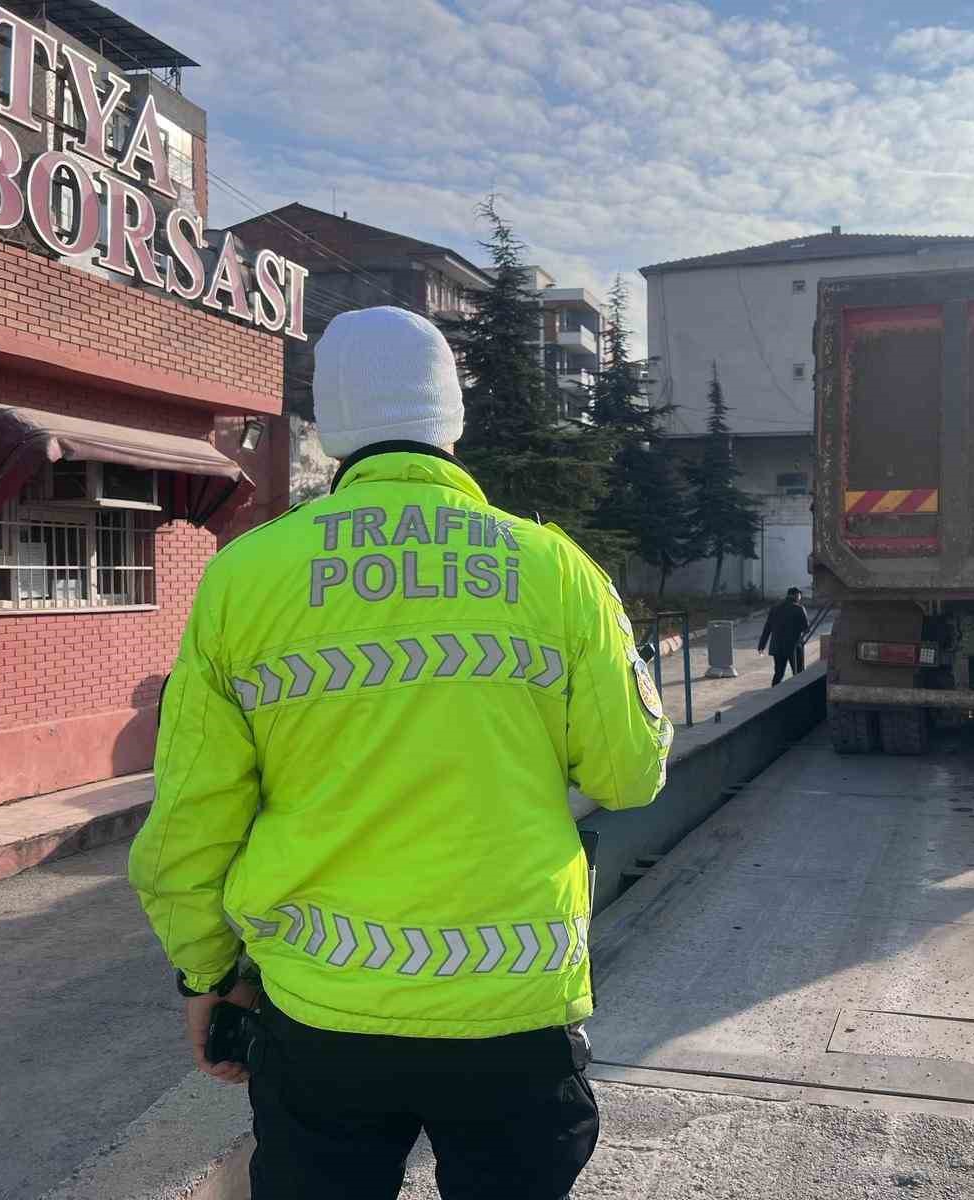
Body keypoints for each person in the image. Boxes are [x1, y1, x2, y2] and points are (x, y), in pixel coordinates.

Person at [128, 307, 672, 1200]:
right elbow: (629, 773)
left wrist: (206, 972)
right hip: (514, 1012)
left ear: (333, 428)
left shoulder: (245, 578)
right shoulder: (555, 569)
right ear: (449, 417)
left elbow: (191, 813)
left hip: (321, 1020)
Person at [758, 586, 810, 686]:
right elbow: (806, 629)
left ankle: (774, 695)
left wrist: (761, 645)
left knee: (778, 673)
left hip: (778, 647)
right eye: (800, 596)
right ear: (796, 595)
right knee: (799, 673)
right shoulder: (799, 609)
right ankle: (799, 696)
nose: (800, 598)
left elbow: (767, 628)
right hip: (793, 647)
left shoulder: (775, 608)